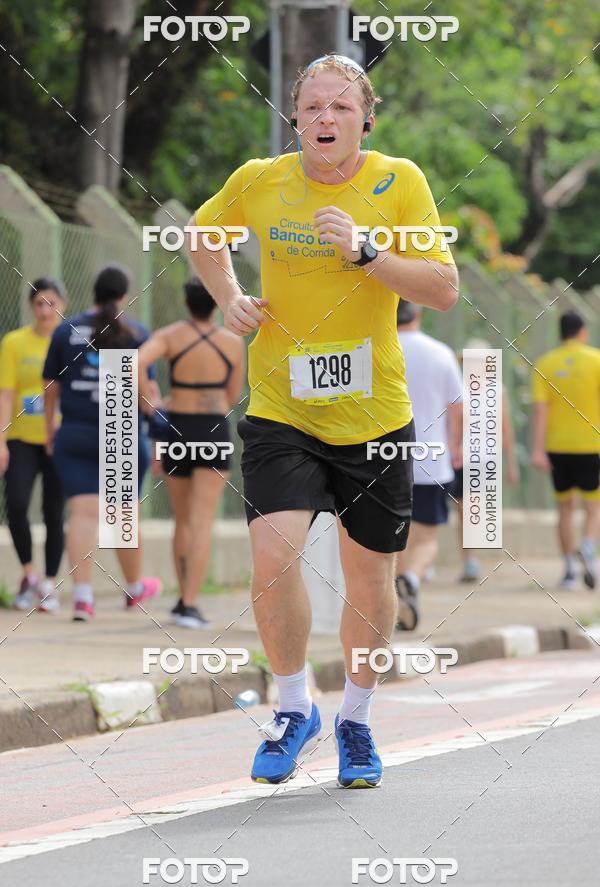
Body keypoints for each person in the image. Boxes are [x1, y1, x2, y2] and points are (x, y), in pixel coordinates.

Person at [187, 53, 457, 788]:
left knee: (370, 579)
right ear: (295, 118)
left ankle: (356, 720)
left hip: (374, 417)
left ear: (366, 120)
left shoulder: (399, 181)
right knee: (273, 558)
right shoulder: (260, 181)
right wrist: (230, 297)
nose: (325, 118)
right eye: (311, 107)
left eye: (341, 106)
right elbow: (202, 236)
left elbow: (442, 287)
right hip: (282, 410)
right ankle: (293, 708)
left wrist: (368, 252)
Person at [42, 264, 162, 620]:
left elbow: (51, 387)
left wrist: (50, 430)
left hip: (75, 431)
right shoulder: (135, 332)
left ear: (94, 292)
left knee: (82, 513)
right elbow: (146, 394)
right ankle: (135, 588)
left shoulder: (66, 330)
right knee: (122, 514)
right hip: (121, 431)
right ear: (124, 295)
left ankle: (82, 597)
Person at [137, 276, 245, 628]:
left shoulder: (171, 335)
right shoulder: (233, 342)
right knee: (202, 521)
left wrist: (151, 403)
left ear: (186, 303)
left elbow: (133, 363)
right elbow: (232, 395)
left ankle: (182, 598)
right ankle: (191, 603)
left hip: (177, 428)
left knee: (182, 520)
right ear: (215, 302)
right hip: (213, 429)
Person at [395, 300, 463, 629]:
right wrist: (456, 446)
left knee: (392, 537)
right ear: (418, 313)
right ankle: (412, 578)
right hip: (433, 460)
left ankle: (398, 601)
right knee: (427, 538)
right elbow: (457, 408)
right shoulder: (441, 353)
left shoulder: (376, 347)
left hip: (385, 459)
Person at [0, 278, 67, 611]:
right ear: (31, 307)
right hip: (21, 439)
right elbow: (5, 393)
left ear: (63, 306)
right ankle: (29, 574)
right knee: (16, 503)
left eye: (51, 303)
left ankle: (50, 584)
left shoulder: (71, 341)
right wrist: (1, 439)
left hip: (59, 438)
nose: (45, 310)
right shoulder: (14, 342)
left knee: (54, 511)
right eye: (39, 303)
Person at [532, 310, 600, 590]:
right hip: (591, 444)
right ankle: (588, 546)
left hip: (557, 446)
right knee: (593, 506)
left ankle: (569, 570)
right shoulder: (596, 360)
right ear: (582, 331)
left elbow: (540, 410)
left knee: (565, 507)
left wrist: (538, 449)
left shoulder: (545, 364)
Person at [451, 338, 519, 582]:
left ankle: (471, 559)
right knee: (462, 509)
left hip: (486, 458)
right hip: (461, 457)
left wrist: (512, 464)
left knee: (473, 507)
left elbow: (505, 428)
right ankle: (468, 560)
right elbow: (453, 424)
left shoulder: (498, 390)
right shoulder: (458, 388)